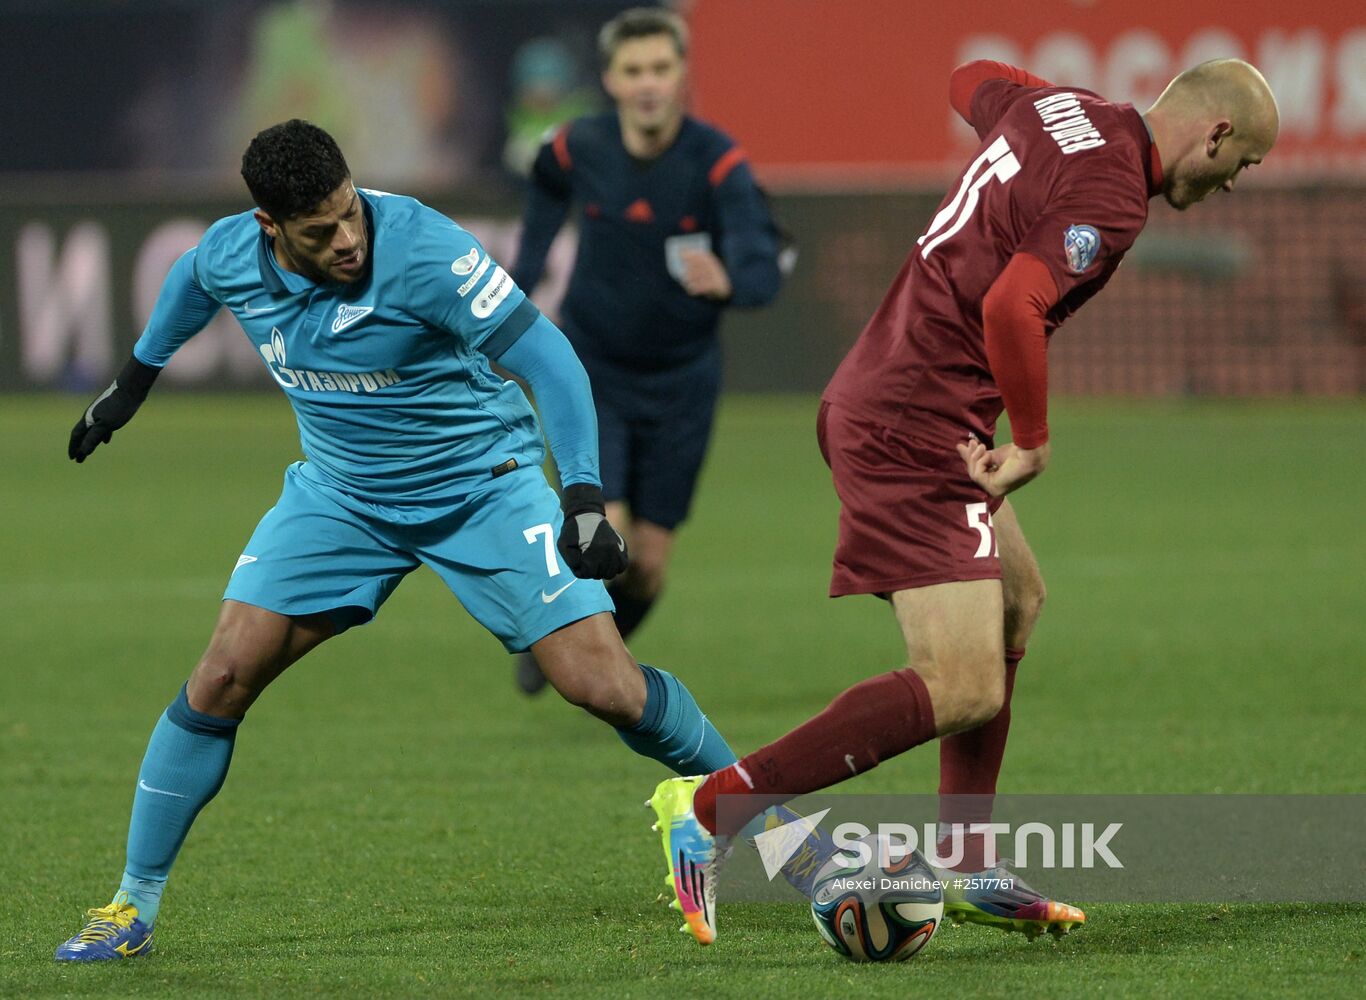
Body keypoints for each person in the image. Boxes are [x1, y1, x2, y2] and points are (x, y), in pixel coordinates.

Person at [54, 119, 755, 962]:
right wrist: (132, 384)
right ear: (271, 228)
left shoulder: (424, 249)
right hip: (342, 496)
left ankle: (759, 820)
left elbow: (551, 359)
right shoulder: (234, 250)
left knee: (604, 686)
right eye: (321, 230)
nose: (348, 239)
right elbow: (192, 279)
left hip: (481, 487)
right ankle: (131, 905)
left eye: (350, 211)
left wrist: (581, 499)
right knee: (223, 673)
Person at [648, 58, 1280, 946]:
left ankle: (967, 860)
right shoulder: (1114, 193)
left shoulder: (1062, 111)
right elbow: (1011, 304)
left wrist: (1044, 107)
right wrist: (1034, 439)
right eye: (1241, 163)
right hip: (912, 423)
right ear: (1214, 133)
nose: (1229, 184)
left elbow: (967, 77)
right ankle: (712, 810)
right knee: (964, 684)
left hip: (910, 404)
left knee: (1019, 597)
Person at [510, 7, 784, 694]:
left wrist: (732, 281)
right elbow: (546, 185)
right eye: (634, 71)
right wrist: (522, 281)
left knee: (650, 564)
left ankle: (573, 652)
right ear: (609, 79)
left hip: (682, 381)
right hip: (593, 373)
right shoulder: (579, 146)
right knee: (609, 532)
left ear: (682, 74)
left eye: (661, 68)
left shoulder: (717, 162)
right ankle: (576, 661)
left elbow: (762, 261)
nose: (648, 84)